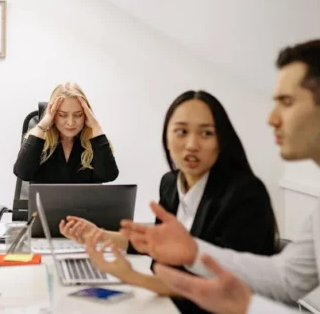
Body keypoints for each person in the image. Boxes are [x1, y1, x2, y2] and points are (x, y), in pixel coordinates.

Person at [121, 39, 320, 314]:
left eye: (286, 102)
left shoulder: (243, 192)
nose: (271, 119)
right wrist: (194, 253)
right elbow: (286, 278)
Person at [60, 90, 278, 313]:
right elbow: (154, 245)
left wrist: (131, 276)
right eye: (181, 131)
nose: (192, 144)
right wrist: (98, 234)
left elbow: (220, 291)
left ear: (221, 141)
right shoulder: (171, 183)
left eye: (206, 133)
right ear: (166, 139)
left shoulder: (245, 196)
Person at [13, 82, 119, 183]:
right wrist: (42, 126)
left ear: (86, 114)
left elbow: (108, 175)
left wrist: (96, 126)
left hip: (85, 197)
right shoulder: (38, 138)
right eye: (62, 115)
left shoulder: (95, 141)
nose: (70, 122)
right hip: (46, 197)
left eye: (78, 115)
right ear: (53, 114)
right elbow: (23, 173)